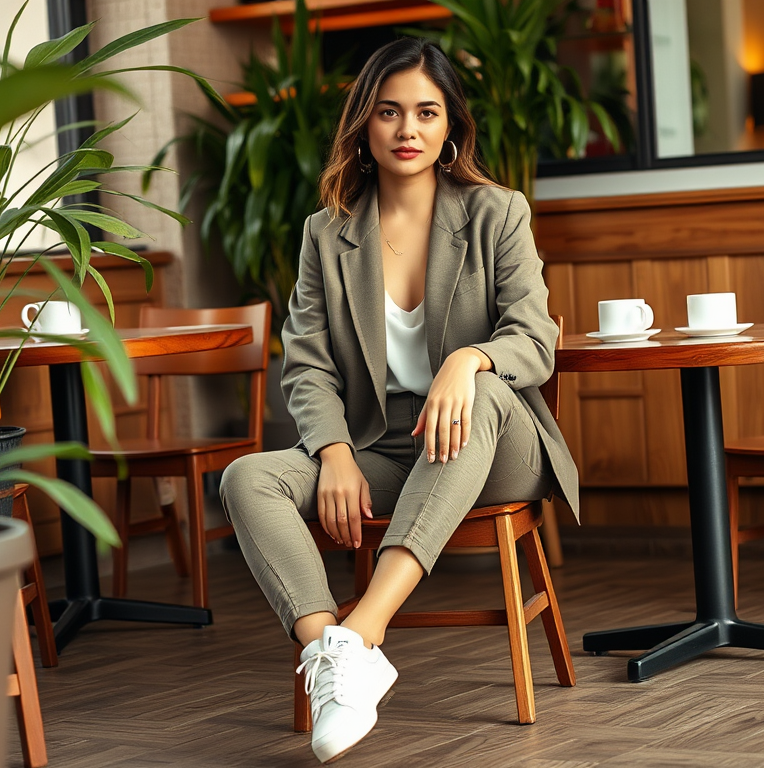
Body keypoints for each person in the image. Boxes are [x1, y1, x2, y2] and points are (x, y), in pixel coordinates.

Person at [220, 37, 579, 764]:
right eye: (389, 113)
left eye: (425, 112)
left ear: (450, 128)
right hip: (389, 449)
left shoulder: (496, 212)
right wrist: (333, 452)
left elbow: (535, 339)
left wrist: (467, 361)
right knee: (246, 478)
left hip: (496, 449)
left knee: (474, 398)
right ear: (365, 125)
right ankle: (333, 660)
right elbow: (309, 364)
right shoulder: (327, 234)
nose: (407, 130)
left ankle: (365, 632)